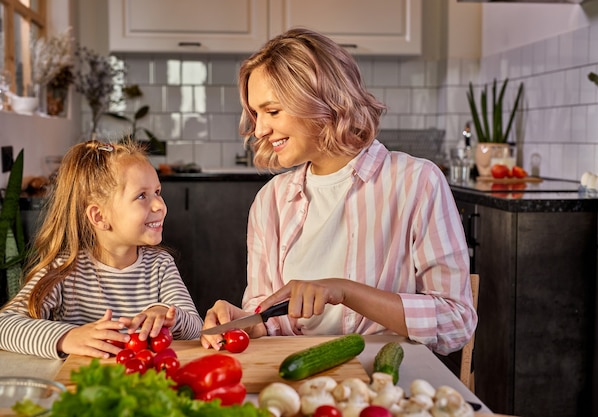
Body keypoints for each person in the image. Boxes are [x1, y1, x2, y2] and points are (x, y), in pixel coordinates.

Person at [201, 28, 477, 356]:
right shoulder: (270, 201)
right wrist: (249, 320)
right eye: (256, 114)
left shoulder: (416, 183)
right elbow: (270, 318)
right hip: (299, 377)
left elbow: (455, 321)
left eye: (272, 111)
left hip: (387, 379)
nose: (260, 129)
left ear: (321, 98)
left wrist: (345, 291)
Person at [0, 139, 203, 359]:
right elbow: (5, 325)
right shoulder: (64, 270)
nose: (159, 205)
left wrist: (169, 315)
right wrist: (68, 337)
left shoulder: (160, 265)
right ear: (99, 216)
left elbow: (197, 329)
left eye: (157, 191)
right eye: (142, 196)